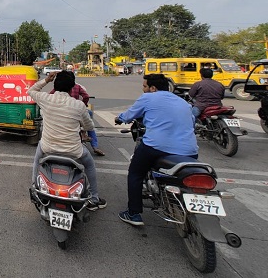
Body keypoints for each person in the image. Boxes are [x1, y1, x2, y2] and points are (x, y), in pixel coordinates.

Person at [115, 73, 198, 226]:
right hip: (190, 150)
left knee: (135, 173)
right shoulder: (183, 103)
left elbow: (129, 115)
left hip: (156, 147)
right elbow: (192, 124)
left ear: (153, 88)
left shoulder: (148, 98)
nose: (143, 89)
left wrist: (119, 118)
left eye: (145, 86)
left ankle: (133, 213)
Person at [28, 70, 106, 211]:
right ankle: (94, 198)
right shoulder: (78, 106)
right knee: (89, 165)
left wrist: (46, 80)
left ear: (55, 85)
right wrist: (80, 125)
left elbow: (31, 90)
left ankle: (35, 188)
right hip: (73, 151)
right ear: (72, 88)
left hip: (47, 147)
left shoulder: (46, 99)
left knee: (36, 160)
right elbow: (89, 126)